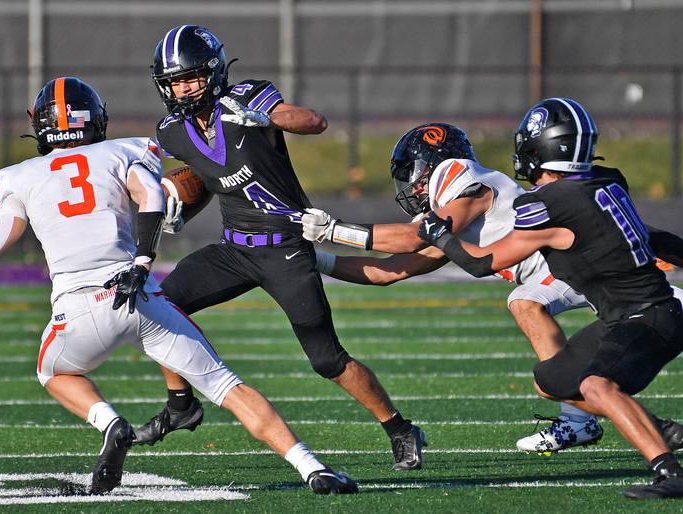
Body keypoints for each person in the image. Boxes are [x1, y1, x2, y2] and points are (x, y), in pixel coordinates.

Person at [0, 77, 358, 496]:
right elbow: (151, 197)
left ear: (42, 125)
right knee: (226, 385)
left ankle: (110, 423)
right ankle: (312, 467)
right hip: (137, 296)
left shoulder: (19, 177)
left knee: (52, 373)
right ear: (95, 119)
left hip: (76, 311)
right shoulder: (124, 151)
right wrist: (141, 261)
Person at [139, 24, 426, 471]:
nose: (185, 88)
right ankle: (181, 405)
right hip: (234, 250)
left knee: (327, 360)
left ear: (213, 73)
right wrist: (179, 204)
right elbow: (207, 174)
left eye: (192, 77)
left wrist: (266, 116)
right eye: (176, 81)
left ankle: (400, 428)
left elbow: (313, 121)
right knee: (157, 305)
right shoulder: (171, 130)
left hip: (286, 249)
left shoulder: (248, 98)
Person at [300, 122, 683, 454]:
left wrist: (334, 230)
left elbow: (410, 238)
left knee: (526, 301)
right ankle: (595, 416)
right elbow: (391, 270)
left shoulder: (471, 184)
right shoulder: (458, 218)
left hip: (574, 265)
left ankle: (581, 419)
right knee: (539, 333)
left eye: (413, 172)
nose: (411, 184)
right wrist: (319, 260)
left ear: (434, 164)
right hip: (569, 271)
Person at [417, 98, 683, 499]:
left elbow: (481, 263)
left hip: (646, 315)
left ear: (537, 150)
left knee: (596, 385)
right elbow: (655, 237)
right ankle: (662, 430)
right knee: (552, 379)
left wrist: (441, 236)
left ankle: (669, 472)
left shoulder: (550, 205)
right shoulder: (605, 181)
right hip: (630, 314)